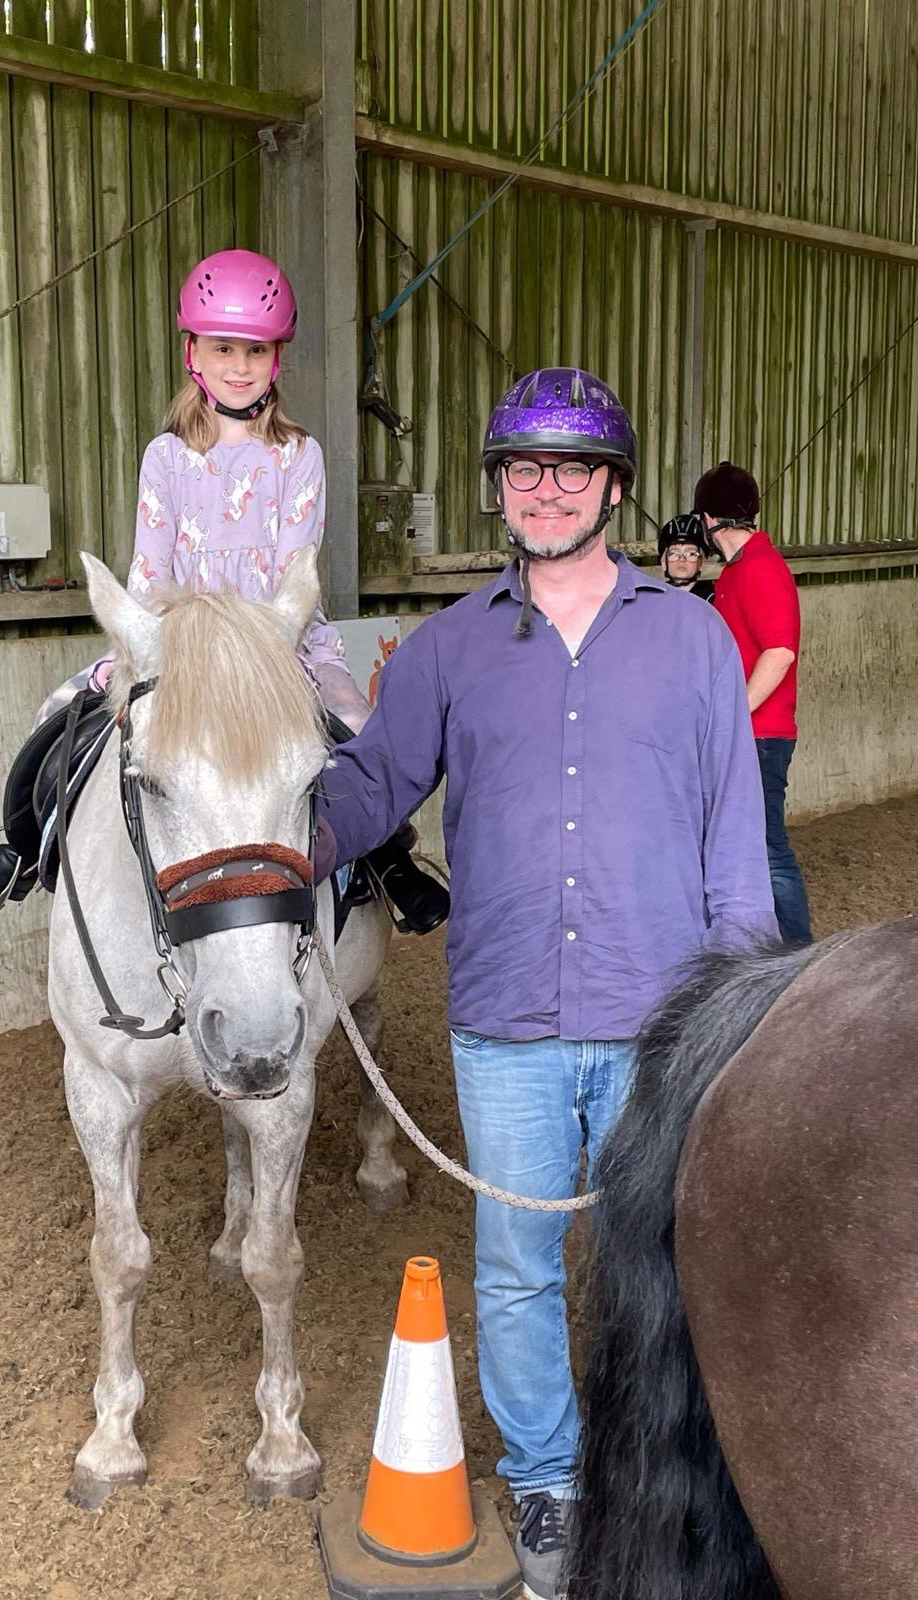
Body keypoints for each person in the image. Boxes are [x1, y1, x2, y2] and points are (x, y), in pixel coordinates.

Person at [313, 369, 776, 1600]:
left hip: (659, 1018)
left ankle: (671, 1480)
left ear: (615, 488)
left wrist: (743, 1006)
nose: (548, 490)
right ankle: (551, 1482)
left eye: (574, 469)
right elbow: (368, 791)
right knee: (516, 1262)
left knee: (664, 1262)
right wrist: (264, 826)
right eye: (524, 469)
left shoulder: (691, 640)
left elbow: (735, 831)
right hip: (507, 1016)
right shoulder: (451, 649)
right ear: (499, 490)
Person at [0, 250, 448, 934]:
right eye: (223, 348)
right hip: (177, 642)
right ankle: (30, 851)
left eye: (255, 350)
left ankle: (389, 863)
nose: (239, 365)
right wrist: (163, 643)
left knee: (357, 727)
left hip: (277, 643)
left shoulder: (300, 456)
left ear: (276, 359)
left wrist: (252, 645)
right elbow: (149, 573)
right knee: (58, 711)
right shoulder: (166, 457)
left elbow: (294, 574)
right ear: (194, 353)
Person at [695, 460, 812, 944]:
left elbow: (780, 652)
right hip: (754, 733)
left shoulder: (760, 567)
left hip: (760, 736)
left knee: (768, 847)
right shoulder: (738, 571)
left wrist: (734, 720)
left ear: (707, 519)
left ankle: (796, 954)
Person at [657, 511, 715, 600]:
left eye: (691, 554)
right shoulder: (656, 598)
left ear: (701, 562)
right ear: (664, 561)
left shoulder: (711, 599)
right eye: (674, 553)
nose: (682, 559)